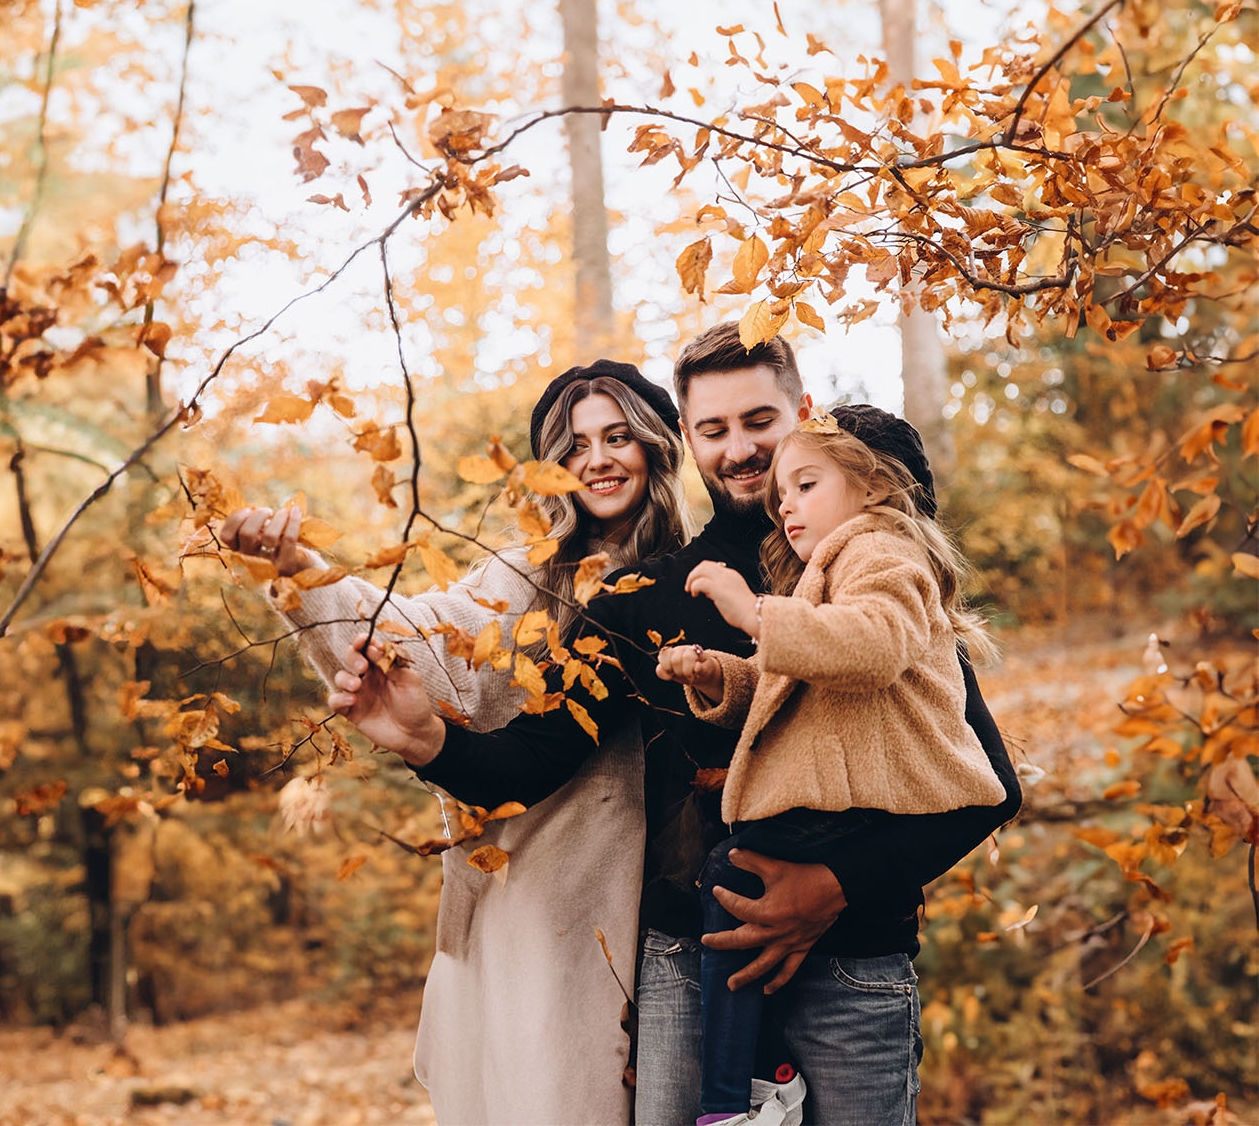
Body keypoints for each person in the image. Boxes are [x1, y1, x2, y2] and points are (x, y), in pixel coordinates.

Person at [329, 322, 1022, 1126]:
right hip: (689, 967)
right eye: (714, 430)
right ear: (687, 440)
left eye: (760, 422)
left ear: (803, 413)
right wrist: (425, 739)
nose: (740, 450)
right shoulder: (643, 599)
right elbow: (530, 760)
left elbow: (988, 785)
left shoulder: (871, 570)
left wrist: (834, 888)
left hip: (853, 961)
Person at [219, 360, 693, 1124]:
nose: (598, 459)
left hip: (679, 924)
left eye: (618, 437)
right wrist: (301, 570)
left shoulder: (700, 573)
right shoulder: (528, 578)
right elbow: (424, 637)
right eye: (573, 447)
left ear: (657, 447)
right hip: (549, 909)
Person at [655, 406, 1003, 1125]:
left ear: (872, 486)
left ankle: (730, 1101)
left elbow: (870, 646)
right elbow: (793, 683)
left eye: (805, 483)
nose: (785, 505)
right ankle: (749, 1089)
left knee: (728, 873)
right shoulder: (824, 579)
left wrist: (753, 612)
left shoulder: (882, 552)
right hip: (833, 827)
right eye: (782, 494)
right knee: (729, 882)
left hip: (854, 825)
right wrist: (716, 675)